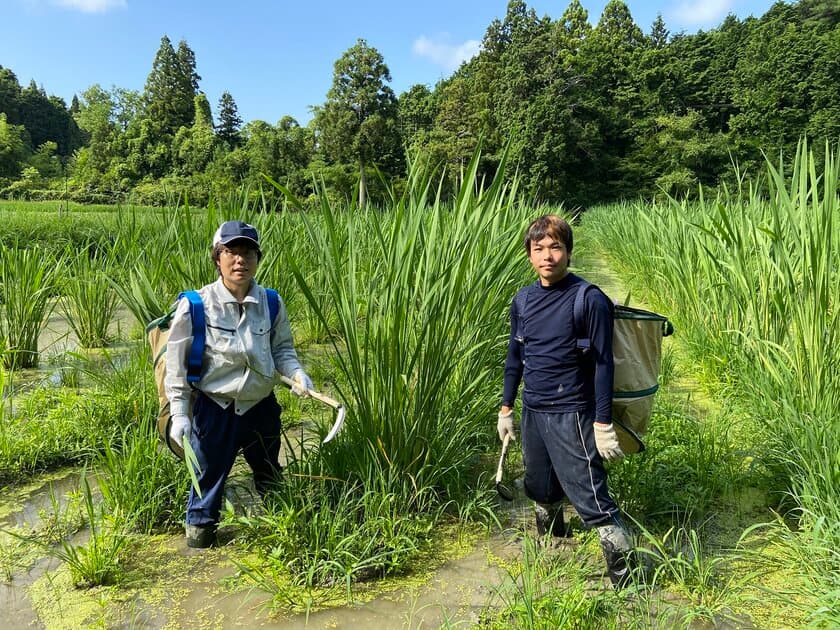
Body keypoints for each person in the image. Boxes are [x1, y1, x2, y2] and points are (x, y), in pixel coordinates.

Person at [497, 214, 634, 587]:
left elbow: (605, 364)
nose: (547, 256)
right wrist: (507, 409)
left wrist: (602, 424)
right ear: (528, 254)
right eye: (539, 248)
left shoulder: (588, 299)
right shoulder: (523, 301)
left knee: (592, 498)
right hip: (534, 411)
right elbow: (515, 357)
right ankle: (556, 549)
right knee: (540, 488)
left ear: (569, 253)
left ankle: (629, 581)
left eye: (555, 247)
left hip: (573, 412)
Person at [165, 220, 313, 549]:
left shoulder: (271, 303)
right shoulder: (195, 306)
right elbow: (175, 368)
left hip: (261, 407)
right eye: (231, 252)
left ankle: (288, 535)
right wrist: (179, 415)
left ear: (257, 259)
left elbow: (282, 351)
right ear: (217, 258)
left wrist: (298, 374)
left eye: (248, 252)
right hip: (215, 411)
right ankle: (199, 545)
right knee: (207, 488)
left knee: (270, 475)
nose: (240, 260)